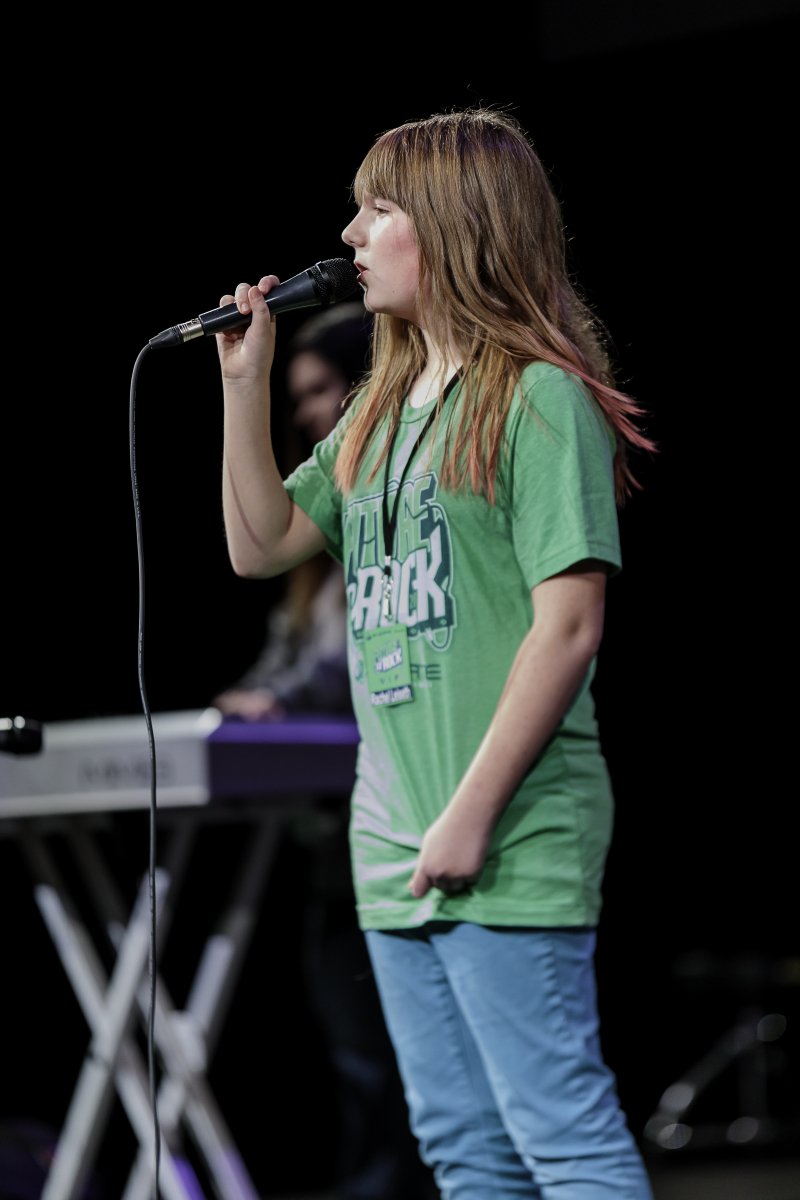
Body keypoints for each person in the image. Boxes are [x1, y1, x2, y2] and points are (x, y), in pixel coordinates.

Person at [214, 106, 657, 1199]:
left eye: (377, 209)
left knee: (560, 1135)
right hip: (389, 837)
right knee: (463, 1154)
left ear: (453, 223)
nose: (349, 235)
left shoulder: (537, 395)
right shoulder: (378, 409)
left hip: (507, 825)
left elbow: (568, 626)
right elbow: (260, 545)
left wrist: (469, 815)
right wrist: (243, 385)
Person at [212, 302, 438, 1200]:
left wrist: (281, 700)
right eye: (297, 396)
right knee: (359, 1054)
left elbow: (359, 654)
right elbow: (257, 558)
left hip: (412, 805)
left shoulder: (402, 483)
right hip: (340, 835)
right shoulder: (325, 507)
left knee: (418, 1072)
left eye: (319, 390)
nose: (307, 410)